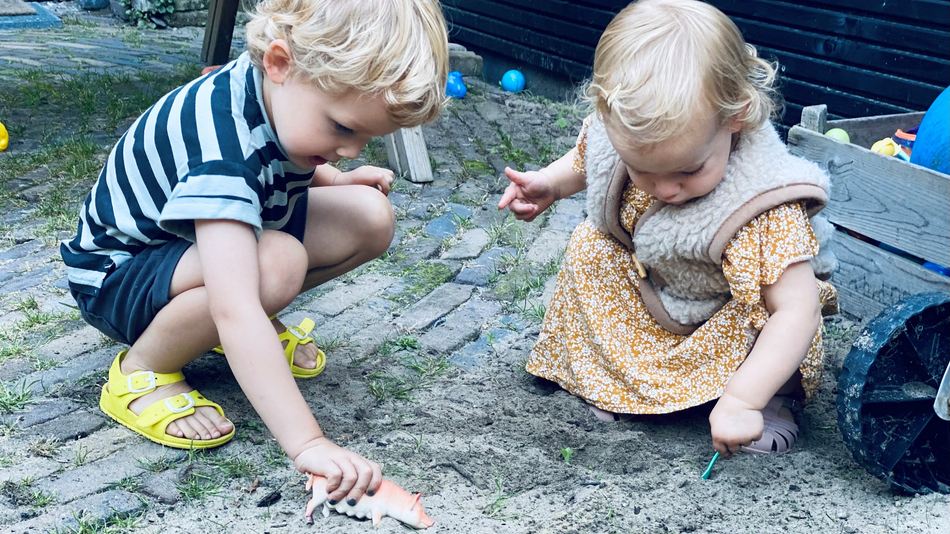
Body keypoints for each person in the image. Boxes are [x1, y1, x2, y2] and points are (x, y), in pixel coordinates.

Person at [60, 0, 448, 504]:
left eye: (369, 137)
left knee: (370, 218)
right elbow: (235, 305)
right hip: (119, 278)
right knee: (276, 263)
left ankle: (210, 334)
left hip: (183, 253)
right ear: (281, 63)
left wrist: (332, 173)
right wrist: (309, 443)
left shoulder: (279, 88)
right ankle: (142, 371)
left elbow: (279, 160)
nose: (353, 149)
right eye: (343, 130)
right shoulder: (222, 146)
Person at [498, 0, 837, 456]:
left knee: (769, 310)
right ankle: (607, 376)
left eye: (687, 171)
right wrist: (550, 185)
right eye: (643, 171)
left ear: (735, 118)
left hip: (728, 319)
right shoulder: (632, 133)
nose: (666, 189)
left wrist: (744, 398)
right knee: (591, 246)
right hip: (658, 293)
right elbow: (586, 159)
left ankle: (769, 400)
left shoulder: (760, 203)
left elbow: (797, 313)